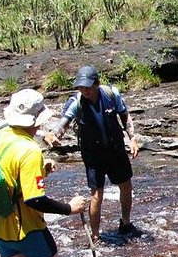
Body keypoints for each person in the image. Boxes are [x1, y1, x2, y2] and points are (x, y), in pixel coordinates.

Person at [0, 89, 87, 257]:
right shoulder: (30, 151)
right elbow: (35, 200)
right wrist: (69, 208)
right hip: (28, 228)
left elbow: (7, 176)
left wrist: (39, 170)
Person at [44, 65, 140, 240]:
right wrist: (53, 135)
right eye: (81, 86)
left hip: (116, 150)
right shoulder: (76, 102)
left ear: (97, 83)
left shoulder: (111, 94)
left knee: (126, 186)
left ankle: (126, 224)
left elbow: (124, 116)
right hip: (93, 155)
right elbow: (63, 123)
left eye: (88, 86)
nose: (85, 90)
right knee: (97, 195)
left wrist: (132, 138)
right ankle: (95, 236)